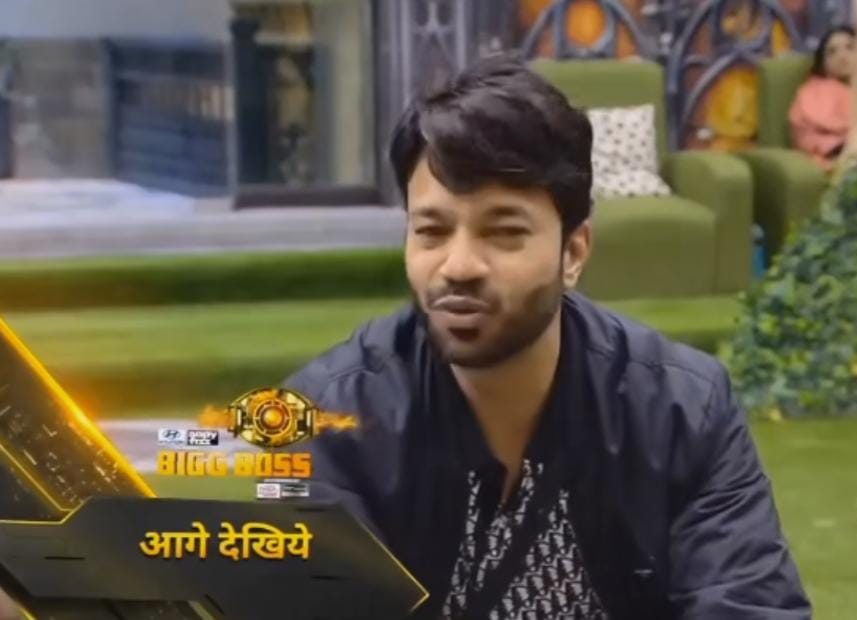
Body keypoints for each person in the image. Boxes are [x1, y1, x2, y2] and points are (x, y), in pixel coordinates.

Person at [286, 54, 810, 619]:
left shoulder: (682, 410)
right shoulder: (327, 421)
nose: (458, 266)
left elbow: (750, 605)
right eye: (432, 231)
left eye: (504, 232)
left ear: (574, 252)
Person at [788, 25, 857, 169]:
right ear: (823, 64)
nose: (842, 56)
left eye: (850, 47)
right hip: (839, 159)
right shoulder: (811, 94)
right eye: (832, 52)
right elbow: (804, 135)